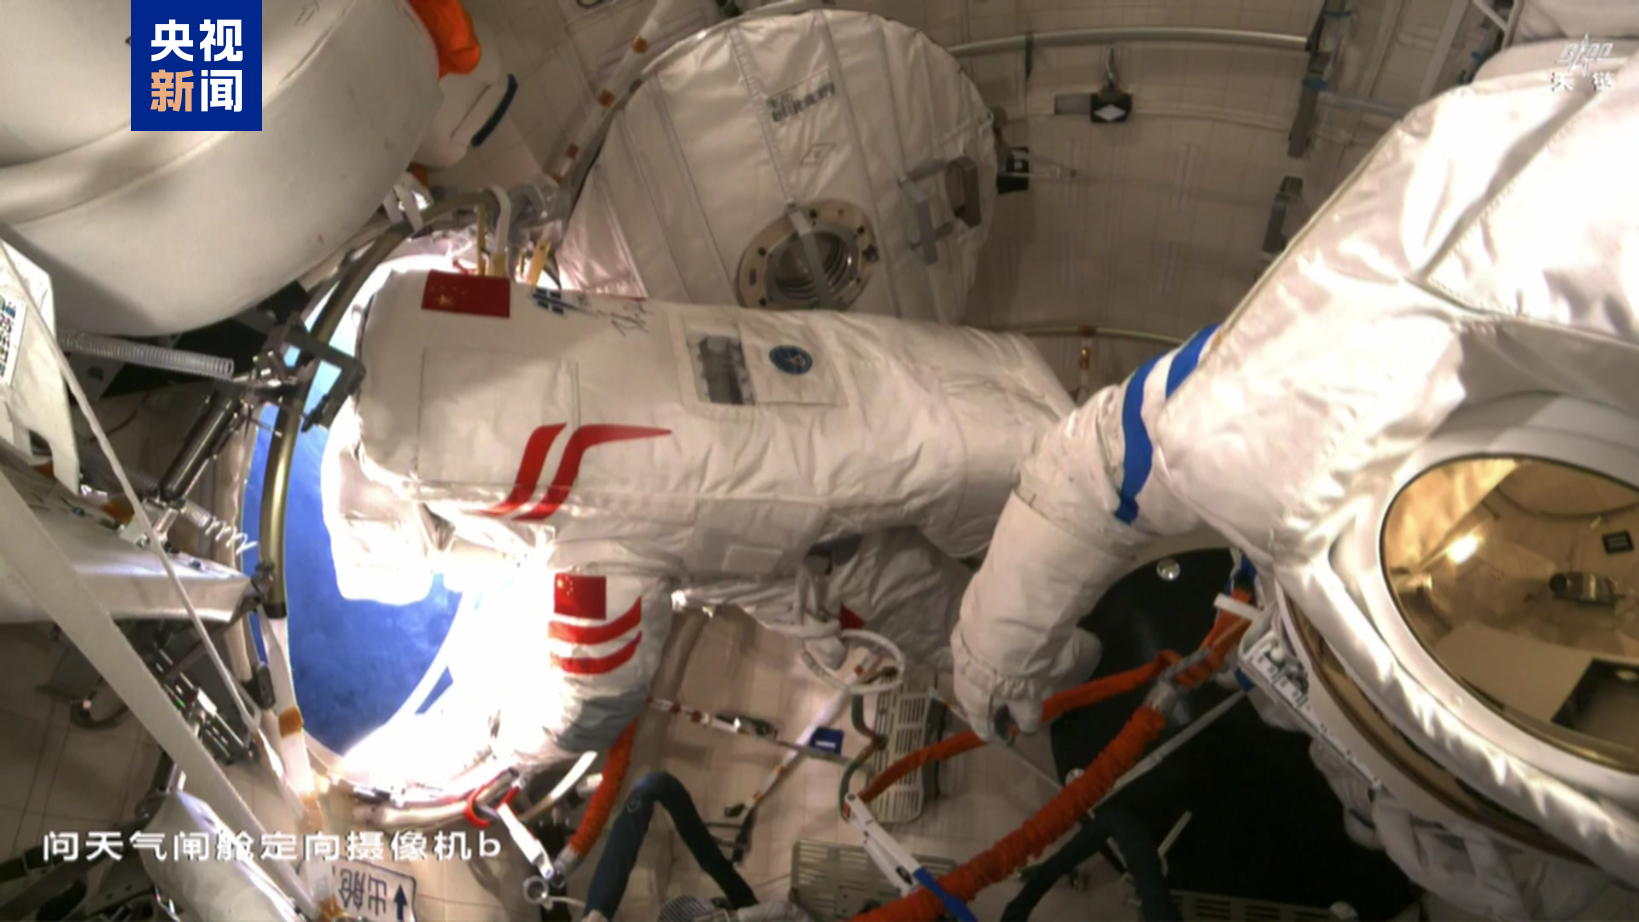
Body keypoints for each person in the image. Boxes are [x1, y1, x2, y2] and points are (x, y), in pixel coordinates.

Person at [950, 35, 1639, 920]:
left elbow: (1094, 470)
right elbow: (1097, 468)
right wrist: (997, 665)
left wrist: (998, 669)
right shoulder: (1408, 308)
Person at [323, 274, 1101, 771]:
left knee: (995, 648)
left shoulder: (581, 526)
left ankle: (1092, 684)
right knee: (1026, 449)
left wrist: (511, 746)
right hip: (853, 365)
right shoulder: (525, 340)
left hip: (840, 549)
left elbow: (595, 701)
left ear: (437, 513)